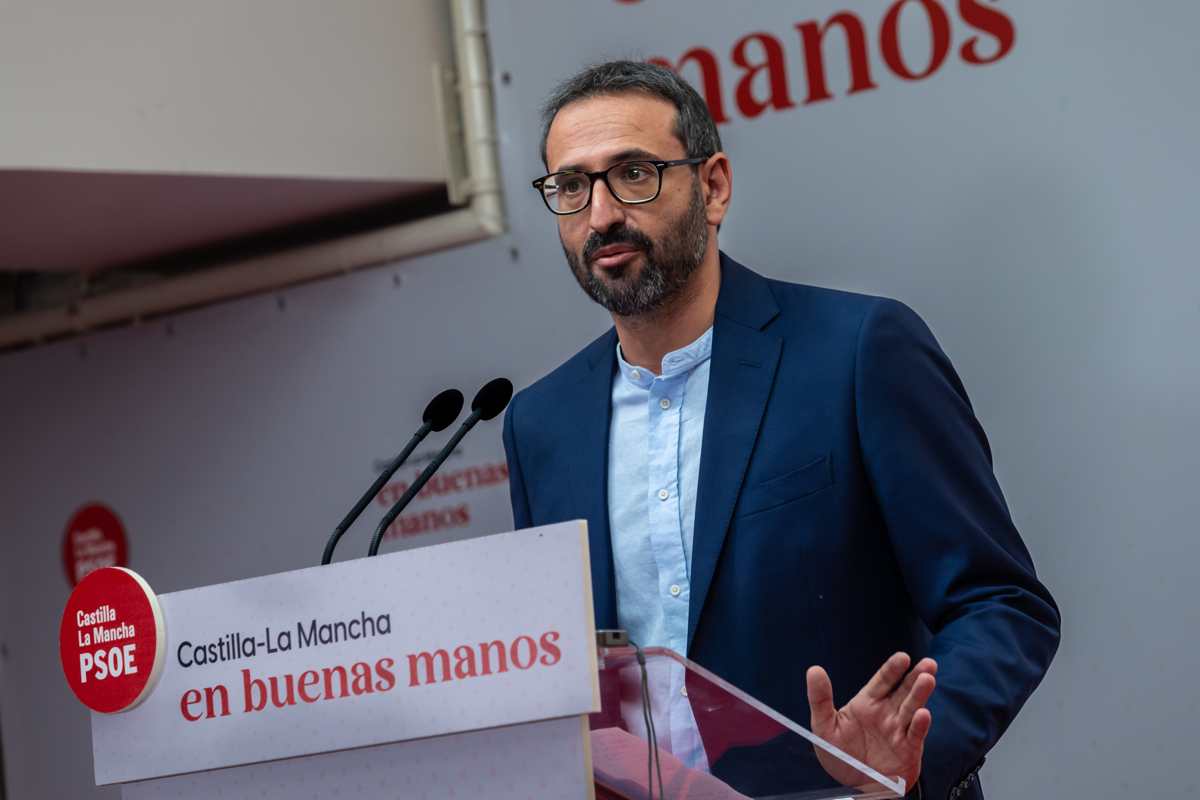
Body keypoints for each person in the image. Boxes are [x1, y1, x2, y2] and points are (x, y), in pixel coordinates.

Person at [502, 60, 1059, 800]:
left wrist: (901, 759)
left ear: (714, 186)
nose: (601, 214)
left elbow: (1000, 604)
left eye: (633, 173)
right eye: (571, 187)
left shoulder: (856, 352)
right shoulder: (541, 424)